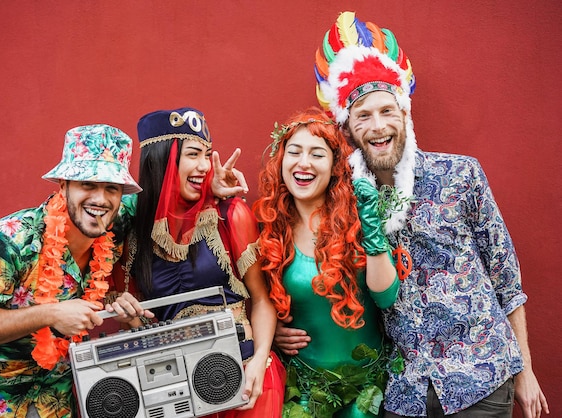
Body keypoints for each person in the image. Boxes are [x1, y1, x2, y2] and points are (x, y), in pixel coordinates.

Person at [276, 10, 549, 418]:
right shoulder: (343, 199)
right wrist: (280, 330)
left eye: (387, 111)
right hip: (404, 392)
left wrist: (525, 370)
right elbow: (314, 264)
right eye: (363, 116)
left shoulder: (461, 173)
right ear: (349, 130)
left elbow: (506, 279)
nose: (377, 125)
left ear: (405, 114)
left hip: (482, 378)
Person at [0, 124, 146, 417]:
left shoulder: (115, 221)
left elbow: (167, 201)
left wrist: (213, 189)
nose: (100, 198)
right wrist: (50, 314)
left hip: (51, 397)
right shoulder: (6, 240)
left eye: (111, 188)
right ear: (63, 185)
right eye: (87, 183)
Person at [107, 107, 286, 417]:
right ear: (161, 159)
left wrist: (259, 361)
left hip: (246, 378)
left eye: (208, 154)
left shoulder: (229, 215)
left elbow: (261, 298)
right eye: (193, 154)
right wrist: (128, 314)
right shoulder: (130, 230)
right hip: (177, 390)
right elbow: (134, 323)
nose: (205, 166)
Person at [253, 107, 400, 418]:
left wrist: (371, 227)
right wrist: (272, 333)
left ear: (335, 165)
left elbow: (386, 296)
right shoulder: (270, 226)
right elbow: (255, 298)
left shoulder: (356, 218)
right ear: (281, 161)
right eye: (294, 152)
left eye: (317, 154)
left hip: (369, 387)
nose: (303, 163)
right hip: (304, 388)